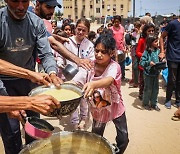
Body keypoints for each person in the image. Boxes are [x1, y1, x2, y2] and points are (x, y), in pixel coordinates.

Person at [0, 1, 63, 153]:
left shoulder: (36, 22)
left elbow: (46, 53)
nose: (21, 7)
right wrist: (6, 99)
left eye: (25, 1)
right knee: (12, 133)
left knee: (35, 129)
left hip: (29, 83)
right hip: (3, 83)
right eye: (15, 0)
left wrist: (52, 72)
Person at [72, 33, 129, 154]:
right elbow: (78, 78)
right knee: (96, 138)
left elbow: (108, 80)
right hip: (98, 108)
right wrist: (68, 84)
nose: (98, 54)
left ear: (112, 53)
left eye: (103, 52)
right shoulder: (90, 64)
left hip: (115, 107)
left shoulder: (115, 66)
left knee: (123, 138)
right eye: (97, 50)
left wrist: (93, 84)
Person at [35, 0, 93, 70]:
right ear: (38, 4)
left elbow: (47, 35)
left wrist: (58, 37)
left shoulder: (38, 23)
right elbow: (54, 44)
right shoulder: (29, 20)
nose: (52, 11)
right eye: (48, 7)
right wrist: (78, 60)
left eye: (54, 7)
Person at [61, 18, 95, 130]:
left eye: (83, 30)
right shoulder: (67, 42)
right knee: (73, 101)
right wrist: (61, 64)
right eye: (79, 29)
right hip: (69, 76)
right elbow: (60, 56)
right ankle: (74, 122)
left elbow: (91, 63)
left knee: (84, 100)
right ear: (75, 28)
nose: (80, 32)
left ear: (87, 31)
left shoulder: (90, 45)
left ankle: (84, 118)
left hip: (84, 79)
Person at [159, 15, 180, 109]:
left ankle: (178, 100)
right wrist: (162, 51)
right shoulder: (173, 24)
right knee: (172, 79)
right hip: (173, 56)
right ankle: (168, 99)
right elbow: (161, 37)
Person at [139, 35, 161, 111]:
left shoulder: (158, 51)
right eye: (155, 41)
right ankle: (145, 103)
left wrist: (162, 61)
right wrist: (149, 63)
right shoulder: (146, 52)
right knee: (148, 89)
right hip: (148, 73)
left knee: (155, 89)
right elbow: (141, 62)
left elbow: (160, 59)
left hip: (156, 73)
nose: (157, 43)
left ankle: (154, 104)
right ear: (150, 43)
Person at [136, 23, 155, 100]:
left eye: (152, 31)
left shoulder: (154, 40)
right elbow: (137, 52)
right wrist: (145, 56)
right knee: (143, 81)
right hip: (144, 64)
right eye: (149, 31)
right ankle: (141, 94)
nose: (151, 32)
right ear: (145, 32)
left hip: (153, 65)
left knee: (151, 81)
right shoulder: (141, 40)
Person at [110, 15, 127, 81]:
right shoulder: (111, 29)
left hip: (121, 48)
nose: (117, 23)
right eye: (115, 21)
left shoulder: (122, 28)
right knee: (114, 63)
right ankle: (114, 76)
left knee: (122, 63)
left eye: (118, 21)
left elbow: (123, 38)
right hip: (113, 49)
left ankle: (122, 76)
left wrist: (125, 47)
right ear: (113, 21)